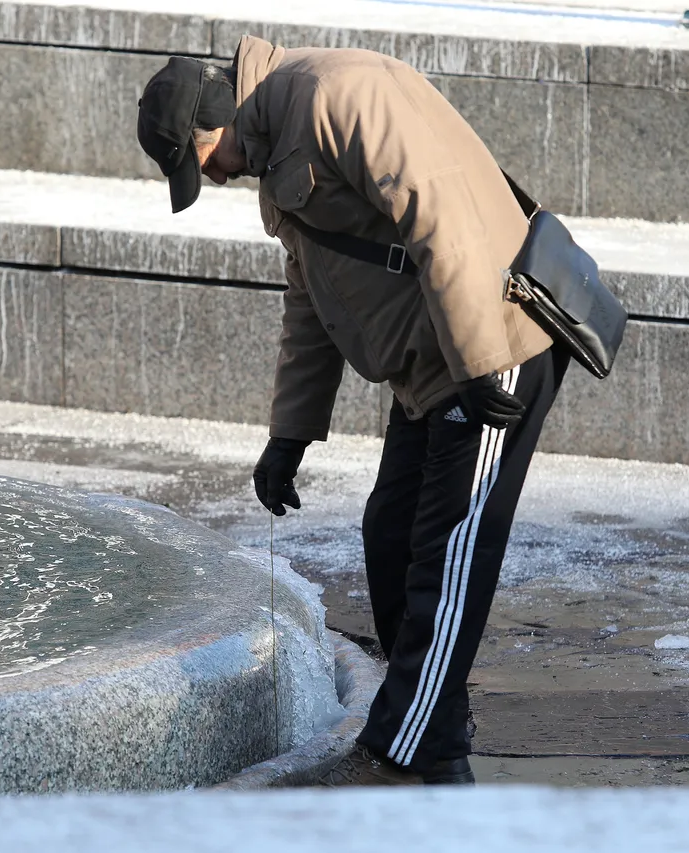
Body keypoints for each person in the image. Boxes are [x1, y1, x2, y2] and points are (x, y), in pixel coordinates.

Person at [136, 36, 568, 786]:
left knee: (450, 552)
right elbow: (312, 298)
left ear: (214, 123)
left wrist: (474, 367)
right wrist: (289, 435)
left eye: (198, 161)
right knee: (390, 532)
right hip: (433, 364)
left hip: (492, 347)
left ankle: (403, 750)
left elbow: (442, 217)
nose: (208, 176)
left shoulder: (337, 95)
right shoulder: (273, 152)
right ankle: (436, 737)